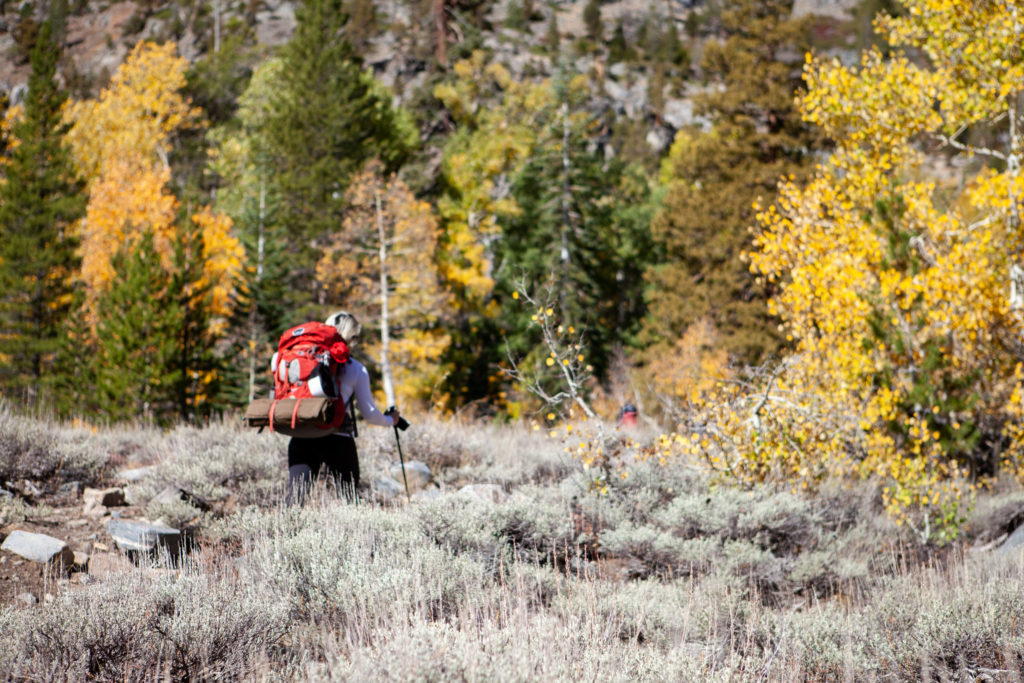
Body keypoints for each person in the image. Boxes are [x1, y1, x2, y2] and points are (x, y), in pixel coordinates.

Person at [286, 311, 401, 505]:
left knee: (294, 502)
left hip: (302, 435)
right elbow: (369, 414)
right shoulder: (355, 368)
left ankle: (282, 534)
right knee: (350, 502)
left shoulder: (302, 359)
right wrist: (392, 420)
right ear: (352, 337)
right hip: (338, 439)